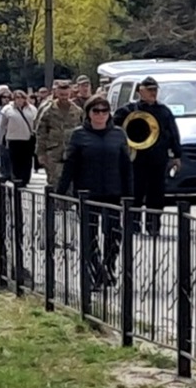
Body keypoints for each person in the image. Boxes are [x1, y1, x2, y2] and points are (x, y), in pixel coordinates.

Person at [57, 95, 132, 287]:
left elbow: (126, 166)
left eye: (104, 111)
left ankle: (109, 266)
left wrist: (129, 195)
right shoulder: (79, 135)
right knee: (90, 236)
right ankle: (96, 271)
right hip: (87, 193)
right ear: (88, 113)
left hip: (113, 193)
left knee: (114, 234)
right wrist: (60, 192)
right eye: (96, 111)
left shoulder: (118, 134)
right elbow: (70, 166)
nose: (100, 115)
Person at [115, 76, 180, 232]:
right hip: (135, 158)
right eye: (150, 90)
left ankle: (153, 226)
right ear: (140, 91)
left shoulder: (164, 111)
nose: (153, 93)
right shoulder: (128, 110)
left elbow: (173, 133)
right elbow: (116, 129)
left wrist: (177, 155)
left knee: (156, 193)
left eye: (155, 90)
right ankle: (133, 224)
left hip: (158, 158)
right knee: (135, 192)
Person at [35, 82, 83, 190]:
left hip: (72, 151)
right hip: (53, 151)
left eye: (66, 95)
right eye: (61, 95)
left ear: (70, 93)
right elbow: (41, 133)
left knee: (71, 181)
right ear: (56, 93)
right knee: (55, 181)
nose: (64, 98)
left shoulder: (77, 111)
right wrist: (40, 153)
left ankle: (68, 205)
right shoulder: (48, 110)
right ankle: (55, 205)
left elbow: (82, 132)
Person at [0, 90, 38, 185]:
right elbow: (2, 126)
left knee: (27, 160)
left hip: (28, 139)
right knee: (15, 160)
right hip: (13, 139)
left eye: (22, 97)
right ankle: (17, 179)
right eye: (17, 97)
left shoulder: (32, 109)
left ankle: (25, 179)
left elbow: (36, 124)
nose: (19, 100)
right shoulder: (7, 109)